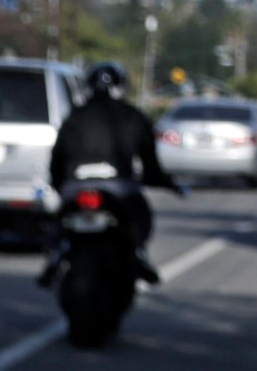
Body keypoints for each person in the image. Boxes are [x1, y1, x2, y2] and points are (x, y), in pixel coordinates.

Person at [46, 61, 175, 285]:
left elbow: (57, 159)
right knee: (140, 215)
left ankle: (55, 257)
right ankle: (138, 254)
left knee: (60, 220)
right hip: (119, 187)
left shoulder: (76, 116)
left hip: (75, 186)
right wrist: (162, 181)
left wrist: (59, 185)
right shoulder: (133, 115)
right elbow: (151, 164)